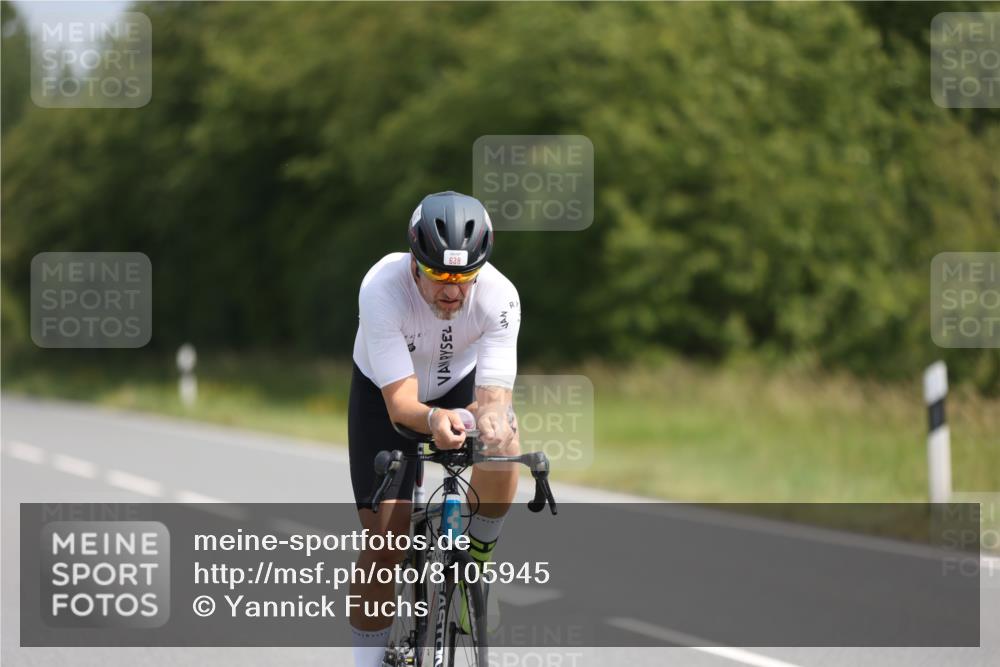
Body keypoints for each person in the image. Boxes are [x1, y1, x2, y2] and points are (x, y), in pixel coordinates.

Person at [348, 191, 521, 667]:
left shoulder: (500, 295)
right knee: (387, 543)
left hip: (455, 384)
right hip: (385, 393)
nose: (452, 290)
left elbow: (492, 398)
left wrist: (487, 420)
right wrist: (432, 421)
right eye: (439, 275)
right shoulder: (381, 286)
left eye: (465, 277)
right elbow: (402, 403)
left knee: (505, 436)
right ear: (414, 262)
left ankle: (476, 567)